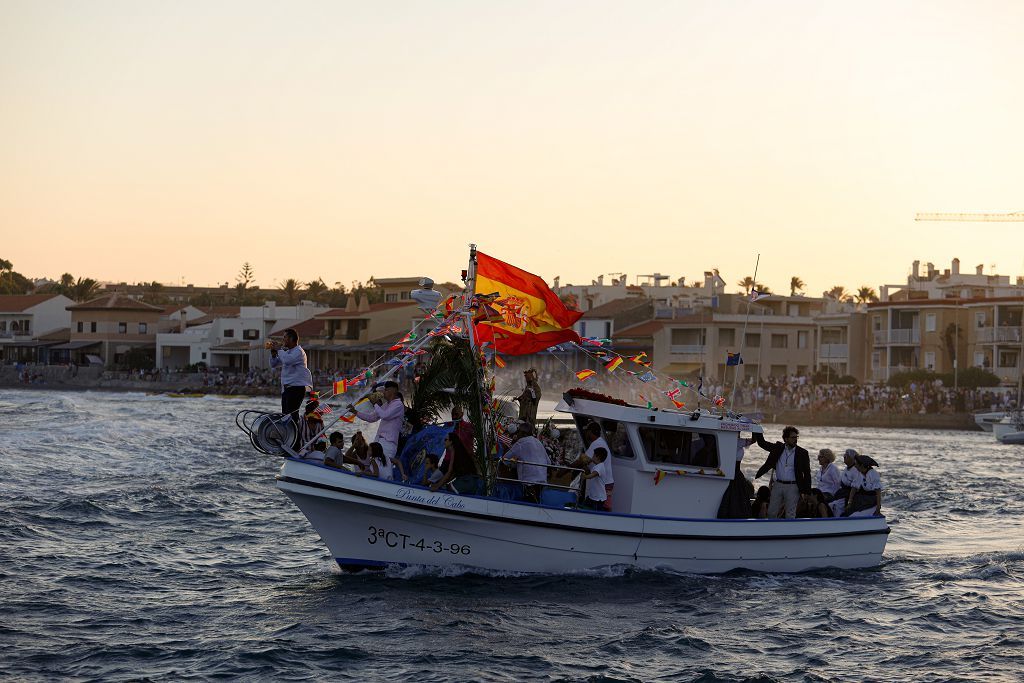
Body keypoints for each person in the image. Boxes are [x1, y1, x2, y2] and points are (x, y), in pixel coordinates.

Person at [754, 426, 812, 519]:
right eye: (793, 437)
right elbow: (762, 443)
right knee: (771, 513)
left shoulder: (802, 452)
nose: (795, 440)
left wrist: (806, 492)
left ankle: (789, 532)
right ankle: (772, 532)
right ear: (786, 439)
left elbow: (807, 473)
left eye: (796, 437)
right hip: (778, 485)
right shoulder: (778, 448)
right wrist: (756, 429)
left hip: (793, 486)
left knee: (790, 514)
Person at [267, 328, 313, 439]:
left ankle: (296, 441)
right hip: (287, 389)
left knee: (292, 416)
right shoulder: (287, 352)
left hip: (296, 388)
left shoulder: (298, 352)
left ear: (292, 339)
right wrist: (274, 354)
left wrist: (279, 350)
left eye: (285, 338)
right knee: (285, 415)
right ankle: (289, 439)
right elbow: (274, 364)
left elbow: (287, 360)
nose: (283, 340)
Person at [350, 381, 405, 464]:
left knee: (383, 468)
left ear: (392, 391)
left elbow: (385, 415)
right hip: (378, 441)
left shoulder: (398, 404)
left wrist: (375, 404)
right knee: (374, 466)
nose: (383, 393)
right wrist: (355, 412)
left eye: (385, 390)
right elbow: (371, 418)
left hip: (388, 443)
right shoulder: (386, 405)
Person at [504, 422, 550, 502]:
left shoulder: (521, 443)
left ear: (522, 433)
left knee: (529, 502)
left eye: (518, 432)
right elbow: (549, 462)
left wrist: (514, 464)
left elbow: (505, 459)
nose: (517, 434)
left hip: (529, 482)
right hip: (542, 481)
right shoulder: (538, 442)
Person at [581, 422, 615, 510]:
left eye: (594, 456)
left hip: (603, 488)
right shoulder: (600, 443)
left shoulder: (599, 466)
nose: (592, 457)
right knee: (604, 505)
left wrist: (585, 476)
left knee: (603, 506)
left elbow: (593, 474)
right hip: (606, 484)